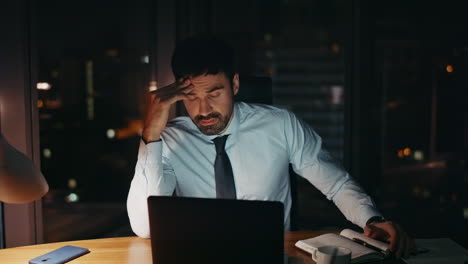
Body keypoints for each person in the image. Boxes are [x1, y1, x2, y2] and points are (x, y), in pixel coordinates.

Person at [127, 35, 415, 258]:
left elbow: (336, 184)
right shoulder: (169, 140)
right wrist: (151, 135)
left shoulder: (280, 124)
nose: (204, 109)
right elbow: (145, 227)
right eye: (191, 97)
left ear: (235, 84)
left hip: (274, 257)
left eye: (215, 93)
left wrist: (372, 219)